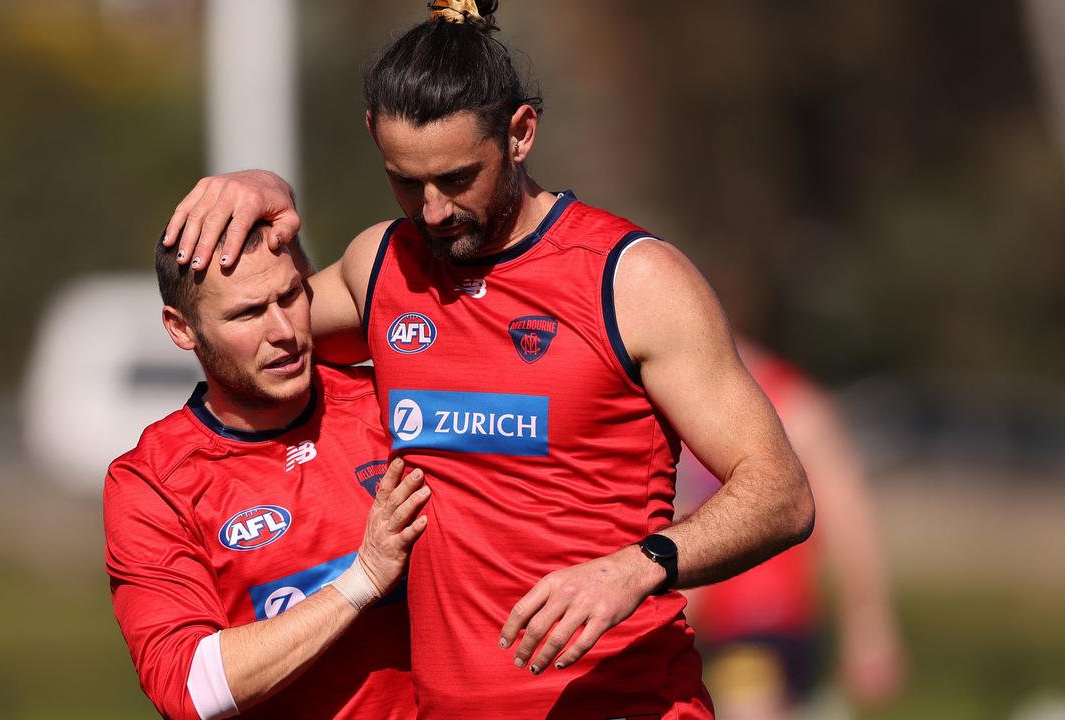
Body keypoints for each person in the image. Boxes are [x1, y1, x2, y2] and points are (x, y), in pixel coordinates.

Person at [161, 1, 815, 716]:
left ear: (520, 134)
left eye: (457, 178)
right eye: (407, 183)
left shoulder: (631, 281)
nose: (434, 210)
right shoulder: (384, 266)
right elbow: (261, 334)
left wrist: (639, 566)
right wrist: (269, 193)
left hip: (624, 702)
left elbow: (781, 493)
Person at [103, 225, 429, 719]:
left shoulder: (391, 404)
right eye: (248, 313)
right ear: (181, 328)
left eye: (290, 295)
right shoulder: (153, 483)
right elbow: (188, 686)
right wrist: (363, 578)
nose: (284, 330)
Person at [677, 341, 906, 719]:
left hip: (759, 620)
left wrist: (868, 625)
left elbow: (850, 518)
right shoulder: (663, 390)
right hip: (684, 623)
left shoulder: (796, 405)